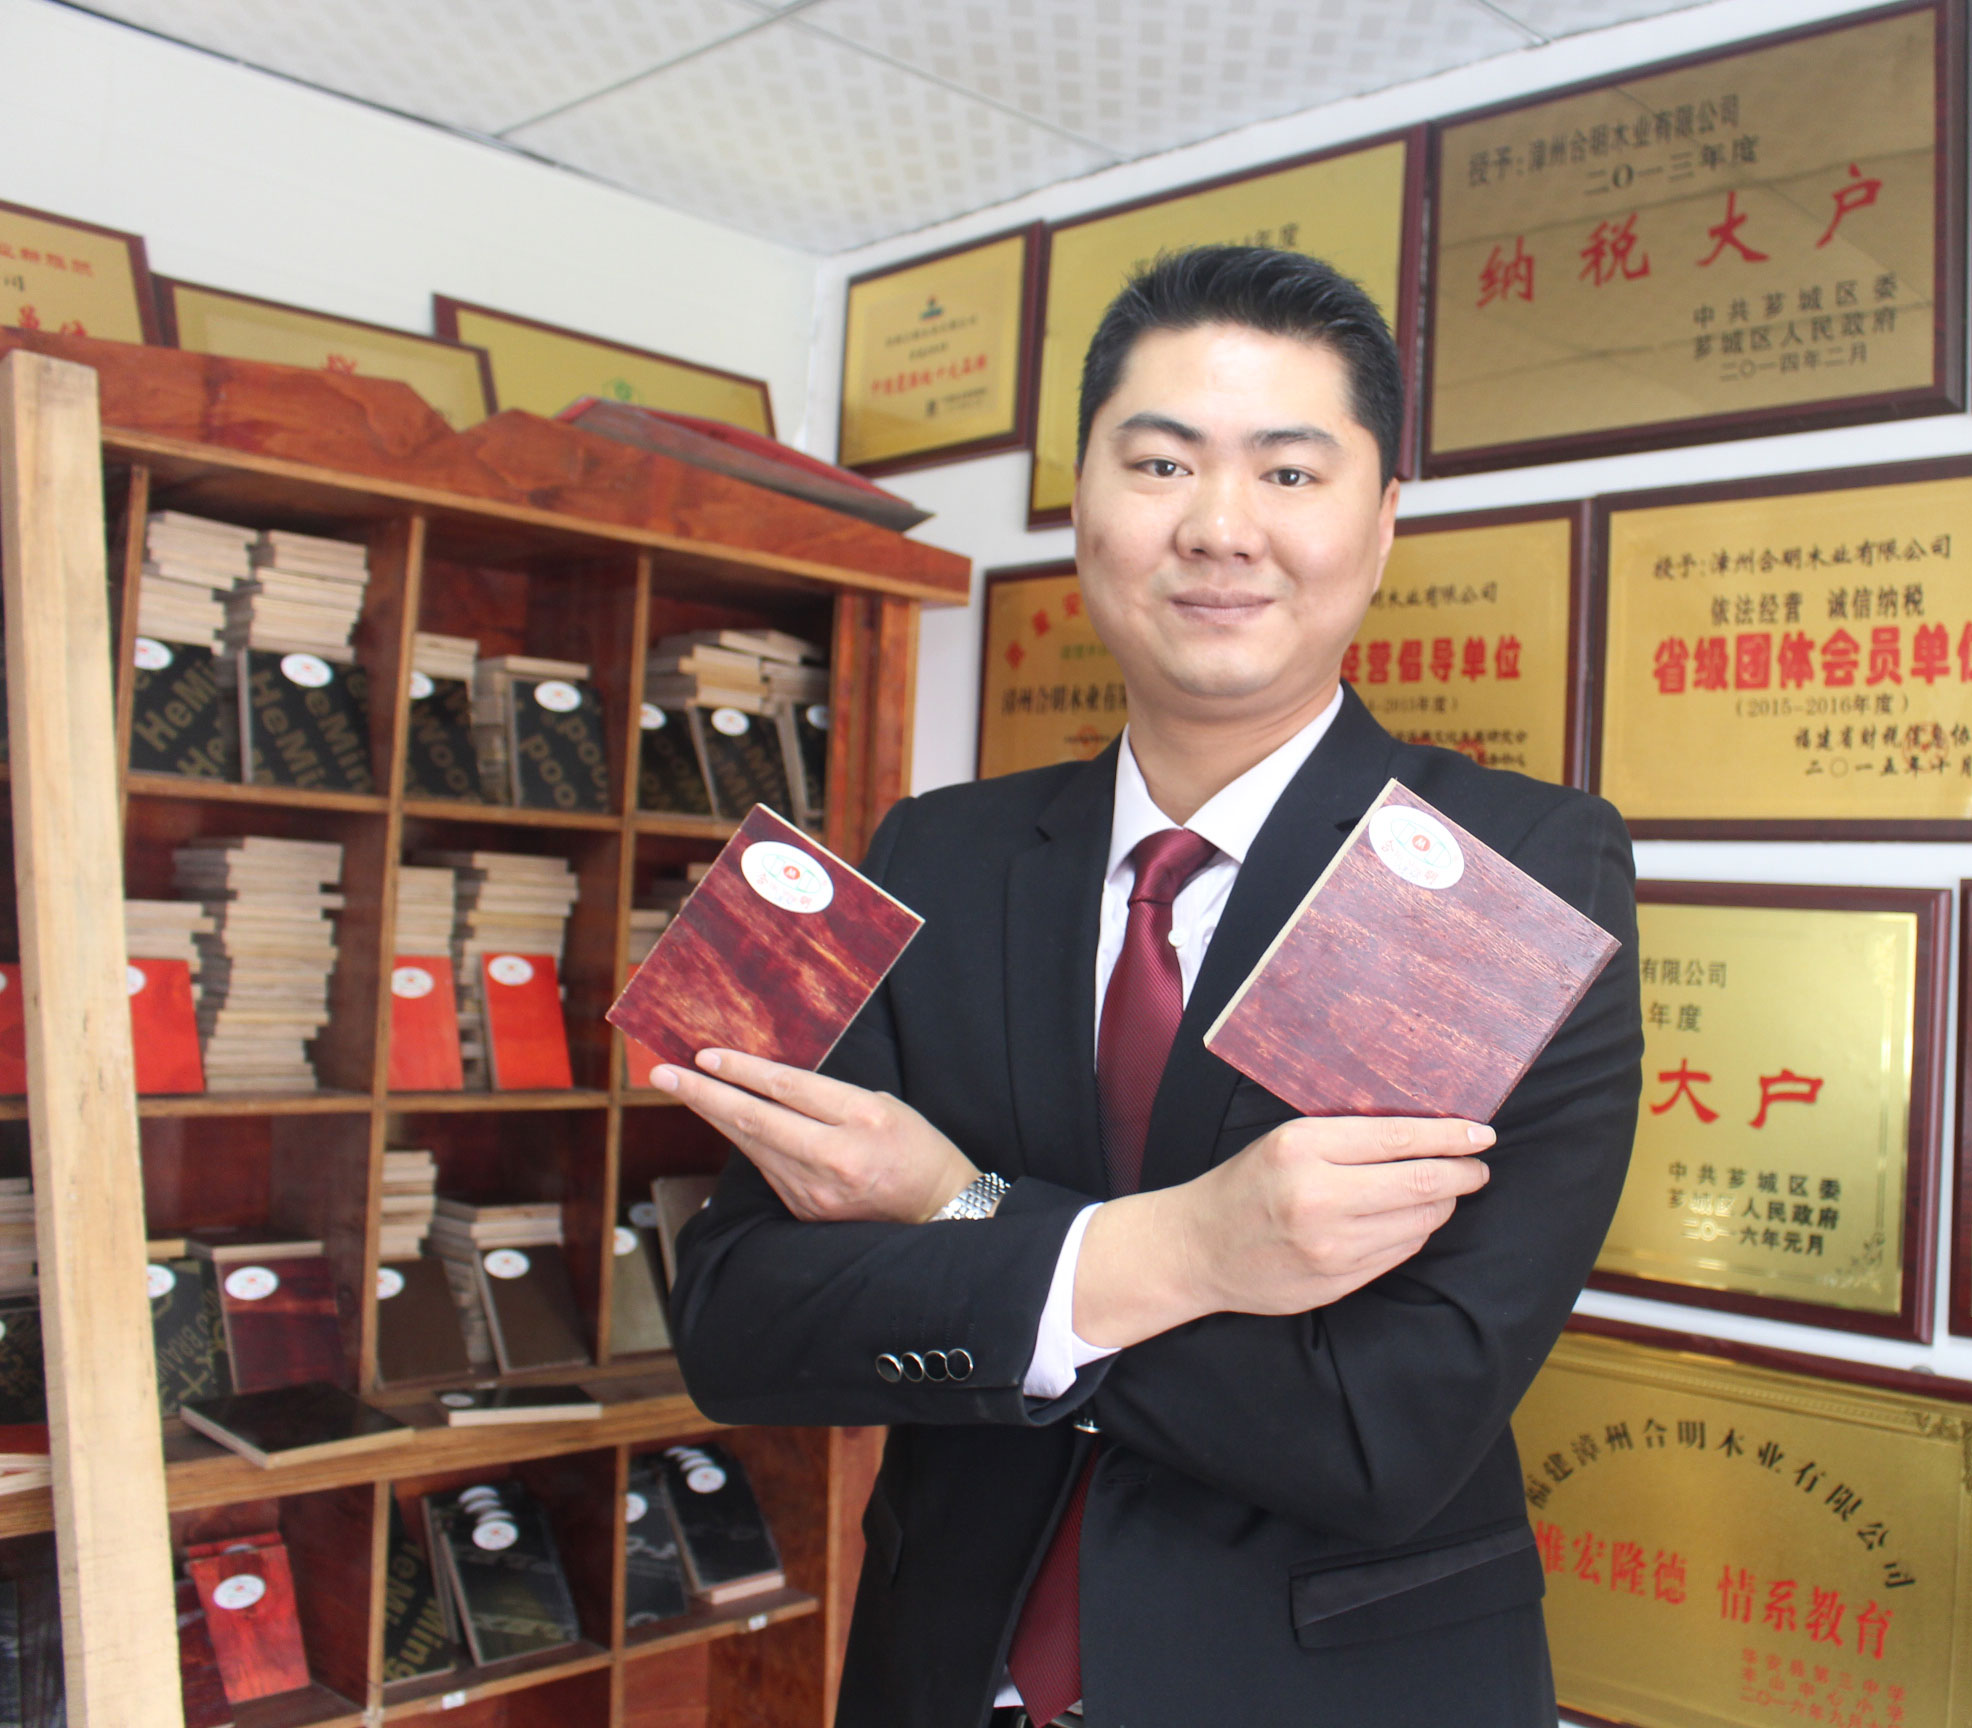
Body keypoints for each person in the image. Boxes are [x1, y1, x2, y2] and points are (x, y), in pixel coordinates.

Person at [658, 245, 1643, 1728]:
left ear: (1381, 522)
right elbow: (741, 1321)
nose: (1220, 528)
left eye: (1290, 472)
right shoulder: (937, 854)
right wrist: (1186, 1250)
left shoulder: (1503, 872)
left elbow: (1378, 1428)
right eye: (1163, 463)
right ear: (1083, 509)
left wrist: (956, 1209)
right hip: (943, 1678)